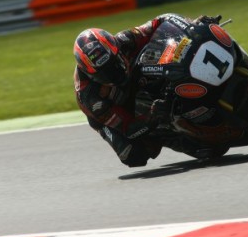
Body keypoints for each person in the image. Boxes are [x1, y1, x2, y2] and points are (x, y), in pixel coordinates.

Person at [73, 13, 221, 167]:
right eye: (105, 73)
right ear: (90, 74)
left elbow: (162, 21)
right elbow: (128, 128)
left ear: (115, 48)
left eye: (114, 64)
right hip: (116, 110)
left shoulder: (124, 40)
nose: (114, 74)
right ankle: (177, 138)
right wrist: (152, 117)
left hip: (135, 79)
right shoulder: (91, 98)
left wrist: (194, 26)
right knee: (133, 155)